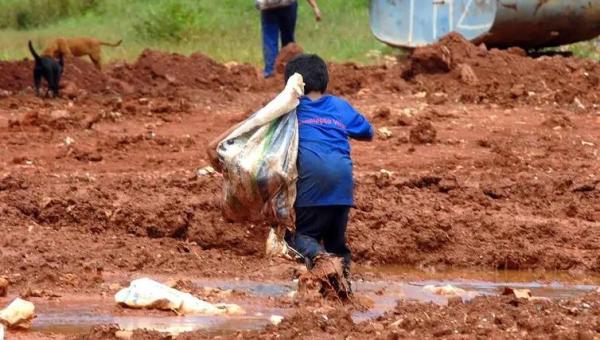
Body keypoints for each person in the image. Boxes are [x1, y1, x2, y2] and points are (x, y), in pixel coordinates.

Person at [283, 54, 373, 295]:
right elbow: (367, 131)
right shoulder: (339, 106)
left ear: (292, 85)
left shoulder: (290, 108)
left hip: (311, 184)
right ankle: (343, 291)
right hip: (342, 187)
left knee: (302, 237)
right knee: (337, 243)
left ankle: (321, 260)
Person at [257, 0, 322, 78]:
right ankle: (290, 71)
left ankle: (271, 71)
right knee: (288, 40)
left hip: (268, 5)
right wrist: (315, 7)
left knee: (270, 40)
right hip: (287, 4)